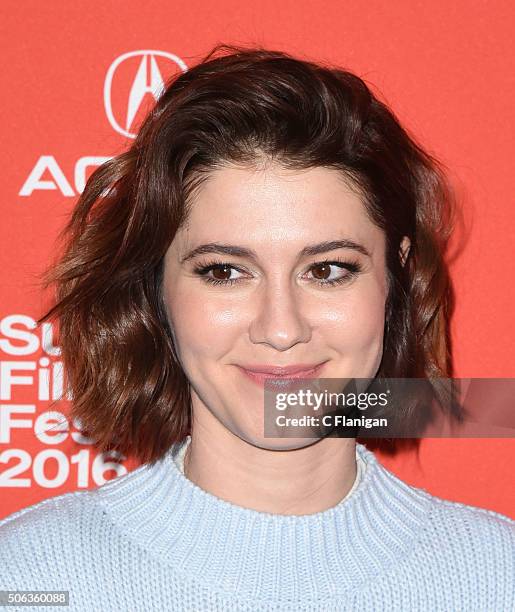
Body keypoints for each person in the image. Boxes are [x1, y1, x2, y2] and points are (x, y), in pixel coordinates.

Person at [0, 43, 513, 611]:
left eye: (329, 270)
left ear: (396, 276)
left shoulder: (496, 576)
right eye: (224, 272)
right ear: (154, 287)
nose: (280, 327)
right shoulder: (31, 578)